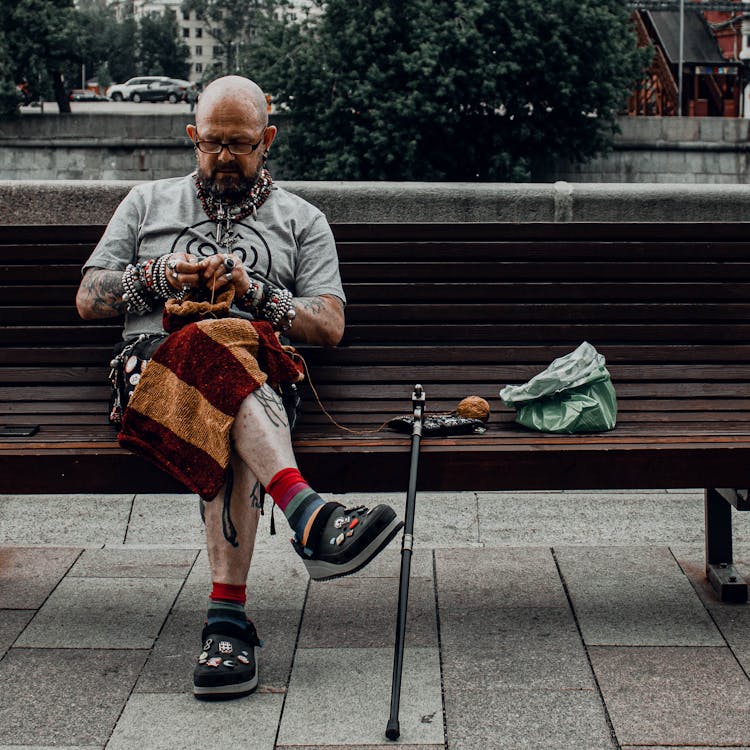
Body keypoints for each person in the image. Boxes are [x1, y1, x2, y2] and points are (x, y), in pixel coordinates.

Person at [75, 75, 403, 700]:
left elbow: (329, 324)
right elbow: (89, 299)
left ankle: (229, 621)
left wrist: (257, 295)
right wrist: (158, 277)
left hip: (263, 380)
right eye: (213, 143)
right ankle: (305, 516)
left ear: (268, 141)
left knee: (229, 371)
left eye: (241, 144)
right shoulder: (146, 202)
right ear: (193, 137)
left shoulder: (302, 220)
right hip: (152, 374)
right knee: (210, 353)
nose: (225, 156)